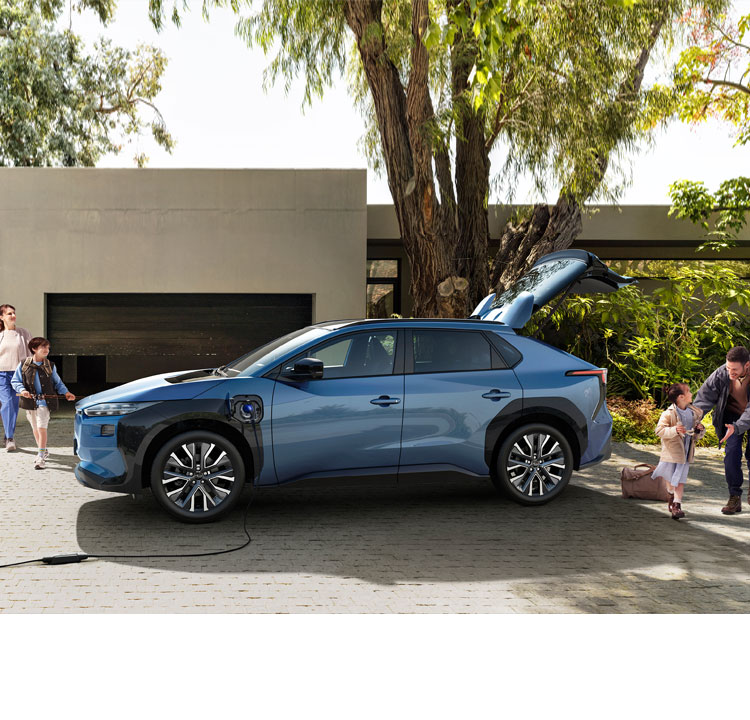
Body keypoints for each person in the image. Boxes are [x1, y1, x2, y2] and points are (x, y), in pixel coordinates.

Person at [694, 345, 750, 514]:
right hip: (731, 417)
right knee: (731, 454)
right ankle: (734, 496)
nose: (730, 372)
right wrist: (693, 419)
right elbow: (704, 398)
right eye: (728, 368)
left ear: (747, 365)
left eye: (735, 369)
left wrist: (738, 426)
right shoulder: (721, 373)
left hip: (746, 416)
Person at [10, 337, 75, 469]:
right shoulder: (24, 364)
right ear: (34, 349)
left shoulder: (50, 365)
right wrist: (22, 390)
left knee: (41, 427)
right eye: (43, 347)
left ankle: (40, 456)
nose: (47, 350)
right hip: (30, 402)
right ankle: (43, 450)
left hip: (45, 402)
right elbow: (15, 381)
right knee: (35, 428)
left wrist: (66, 393)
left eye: (48, 347)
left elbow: (58, 382)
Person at [653, 383, 705, 520]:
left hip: (686, 453)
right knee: (671, 481)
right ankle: (671, 494)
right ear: (681, 397)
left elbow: (696, 435)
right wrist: (674, 430)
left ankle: (677, 505)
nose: (691, 394)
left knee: (680, 480)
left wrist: (699, 430)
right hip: (672, 453)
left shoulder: (693, 413)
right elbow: (659, 431)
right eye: (689, 391)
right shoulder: (668, 413)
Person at [0, 304, 32, 451]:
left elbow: (31, 354)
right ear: (1, 317)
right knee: (7, 403)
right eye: (9, 314)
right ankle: (10, 438)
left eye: (14, 313)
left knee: (13, 405)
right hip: (2, 374)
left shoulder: (23, 333)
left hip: (18, 374)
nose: (13, 316)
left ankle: (8, 435)